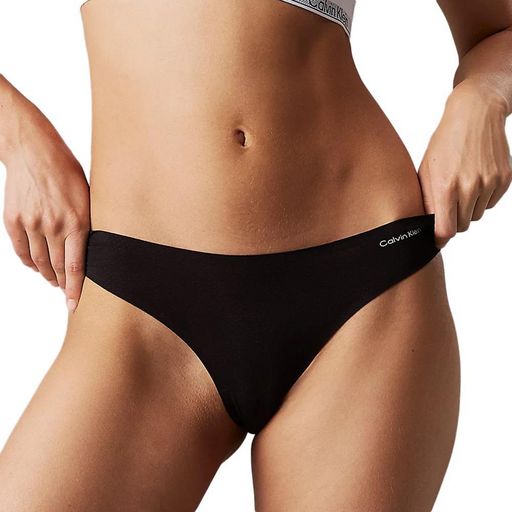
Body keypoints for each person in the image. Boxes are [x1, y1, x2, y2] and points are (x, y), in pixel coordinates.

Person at [0, 0, 510, 510]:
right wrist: (21, 142)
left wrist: (481, 98)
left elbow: (500, 31)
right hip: (140, 304)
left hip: (361, 286)